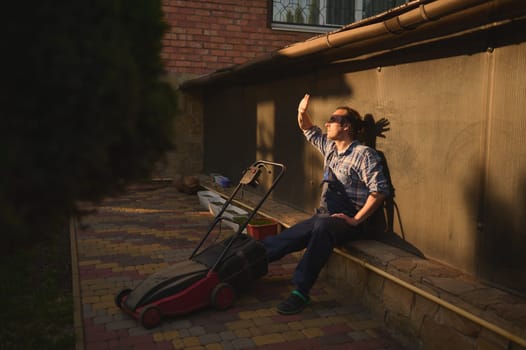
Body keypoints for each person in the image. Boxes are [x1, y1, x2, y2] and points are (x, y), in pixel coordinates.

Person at [262, 93, 391, 315]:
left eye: (333, 119)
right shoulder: (330, 148)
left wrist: (355, 220)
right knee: (292, 235)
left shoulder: (364, 155)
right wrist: (301, 112)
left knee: (321, 227)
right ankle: (250, 260)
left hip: (348, 221)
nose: (327, 123)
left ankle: (301, 291)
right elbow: (307, 129)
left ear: (346, 127)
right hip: (325, 216)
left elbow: (379, 191)